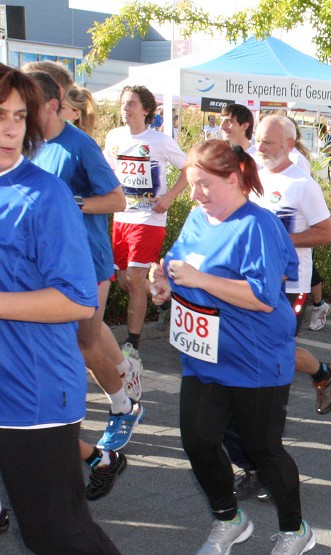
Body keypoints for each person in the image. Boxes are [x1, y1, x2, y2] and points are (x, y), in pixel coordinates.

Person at [0, 64, 168, 555]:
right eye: (2, 116)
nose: (13, 129)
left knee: (50, 531)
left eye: (20, 116)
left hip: (34, 390)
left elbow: (76, 300)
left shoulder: (41, 195)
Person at [148, 139, 315, 555]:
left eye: (204, 185)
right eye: (191, 185)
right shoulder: (198, 219)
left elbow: (261, 297)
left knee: (263, 450)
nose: (197, 194)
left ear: (235, 178)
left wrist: (199, 277)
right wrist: (163, 283)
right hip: (204, 355)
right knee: (198, 441)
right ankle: (229, 518)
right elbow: (177, 265)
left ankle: (295, 531)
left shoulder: (258, 226)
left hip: (256, 359)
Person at [27, 72, 144, 472]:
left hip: (87, 263)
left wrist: (70, 205)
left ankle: (123, 405)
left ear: (52, 103)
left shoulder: (79, 146)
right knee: (66, 342)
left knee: (84, 343)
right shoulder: (26, 144)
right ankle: (124, 374)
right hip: (43, 264)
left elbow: (117, 199)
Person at [250, 115, 331, 414]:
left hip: (291, 284)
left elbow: (326, 233)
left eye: (267, 142)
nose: (259, 147)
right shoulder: (254, 177)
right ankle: (321, 373)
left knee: (275, 346)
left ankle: (316, 376)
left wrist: (281, 240)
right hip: (253, 280)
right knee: (259, 343)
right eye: (258, 140)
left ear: (289, 145)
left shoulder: (303, 185)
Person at [104, 85, 189, 354]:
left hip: (149, 219)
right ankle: (164, 300)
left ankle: (132, 343)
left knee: (134, 276)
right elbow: (107, 172)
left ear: (146, 109)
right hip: (121, 217)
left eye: (131, 104)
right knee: (124, 280)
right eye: (124, 103)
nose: (125, 109)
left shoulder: (160, 141)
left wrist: (169, 198)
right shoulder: (114, 136)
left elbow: (189, 168)